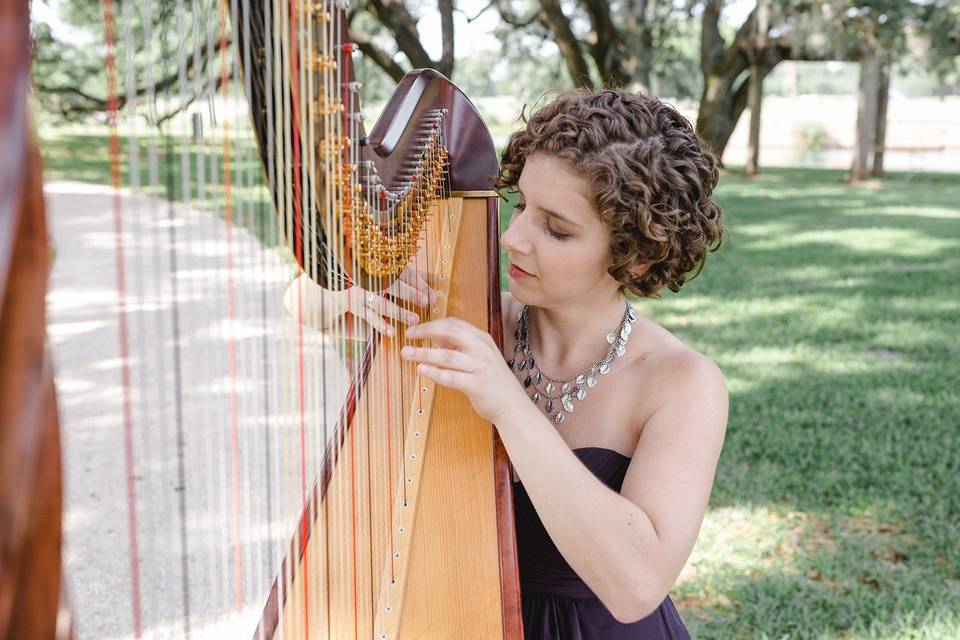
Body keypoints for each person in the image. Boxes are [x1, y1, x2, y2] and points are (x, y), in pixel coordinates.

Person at [399, 89, 728, 638]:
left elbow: (636, 587)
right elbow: (314, 308)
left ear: (635, 255)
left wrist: (510, 406)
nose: (512, 237)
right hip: (462, 615)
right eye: (522, 205)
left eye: (556, 229)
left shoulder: (681, 384)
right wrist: (329, 297)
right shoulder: (473, 324)